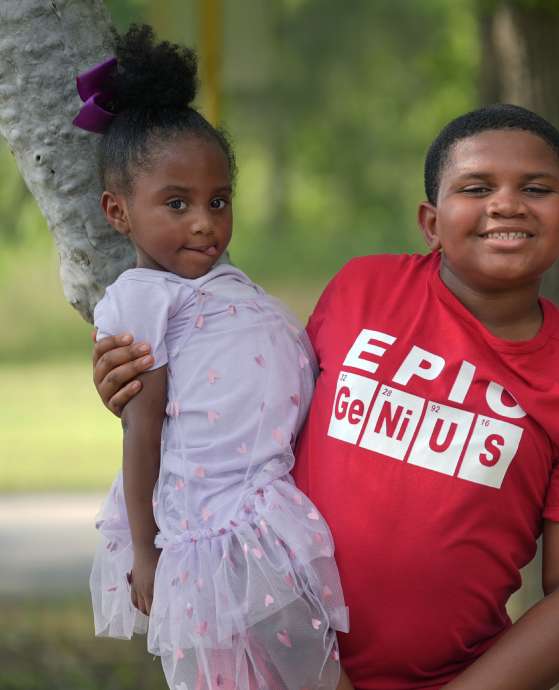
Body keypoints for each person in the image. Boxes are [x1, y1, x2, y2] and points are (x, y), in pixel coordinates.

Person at [93, 102, 559, 689]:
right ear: (430, 221)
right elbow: (253, 400)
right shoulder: (363, 290)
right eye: (477, 186)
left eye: (535, 189)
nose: (506, 203)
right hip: (266, 657)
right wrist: (132, 382)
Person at [82, 25, 353, 690]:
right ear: (119, 212)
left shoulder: (219, 286)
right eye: (176, 204)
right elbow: (142, 431)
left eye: (218, 201)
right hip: (217, 527)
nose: (204, 221)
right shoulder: (140, 297)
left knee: (300, 671)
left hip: (264, 508)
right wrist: (148, 551)